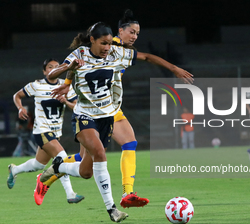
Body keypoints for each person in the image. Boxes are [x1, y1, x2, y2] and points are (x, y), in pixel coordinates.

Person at [36, 10, 193, 209]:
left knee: (88, 159)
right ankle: (124, 192)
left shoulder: (114, 48)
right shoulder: (110, 47)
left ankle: (50, 178)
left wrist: (67, 82)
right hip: (93, 109)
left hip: (109, 108)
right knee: (110, 151)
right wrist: (67, 82)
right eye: (132, 32)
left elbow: (142, 57)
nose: (135, 36)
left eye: (137, 33)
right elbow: (77, 64)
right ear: (121, 31)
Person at [7, 58, 84, 206]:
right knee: (61, 157)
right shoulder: (37, 85)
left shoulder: (65, 85)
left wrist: (65, 102)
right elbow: (17, 95)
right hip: (41, 130)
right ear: (44, 71)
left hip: (56, 132)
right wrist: (20, 108)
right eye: (50, 67)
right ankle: (70, 194)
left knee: (38, 164)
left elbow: (76, 107)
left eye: (57, 66)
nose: (53, 69)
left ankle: (15, 170)